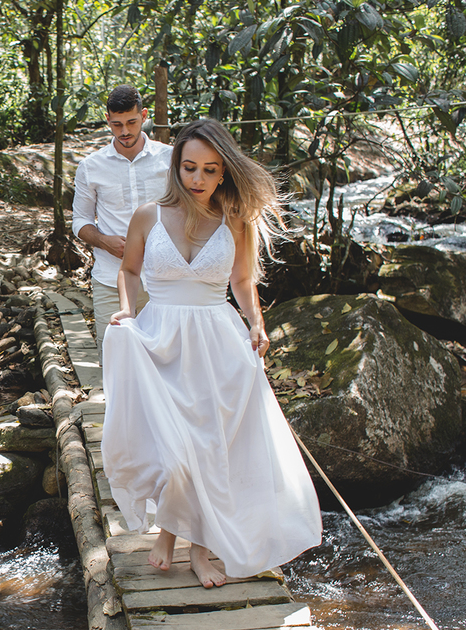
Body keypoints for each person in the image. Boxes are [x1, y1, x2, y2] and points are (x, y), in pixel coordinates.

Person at [100, 118, 322, 588]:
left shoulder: (235, 220)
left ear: (224, 173)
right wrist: (126, 312)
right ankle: (170, 528)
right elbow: (129, 271)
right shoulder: (147, 215)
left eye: (209, 170)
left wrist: (257, 323)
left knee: (212, 448)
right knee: (172, 449)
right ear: (175, 166)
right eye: (189, 168)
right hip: (160, 338)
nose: (197, 180)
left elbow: (241, 281)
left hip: (218, 343)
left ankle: (198, 550)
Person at [72, 84, 174, 358]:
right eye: (117, 125)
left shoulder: (170, 158)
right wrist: (103, 241)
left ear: (144, 115)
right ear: (107, 120)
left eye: (131, 122)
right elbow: (80, 221)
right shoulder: (91, 166)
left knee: (164, 358)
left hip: (164, 277)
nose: (125, 131)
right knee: (115, 359)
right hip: (110, 277)